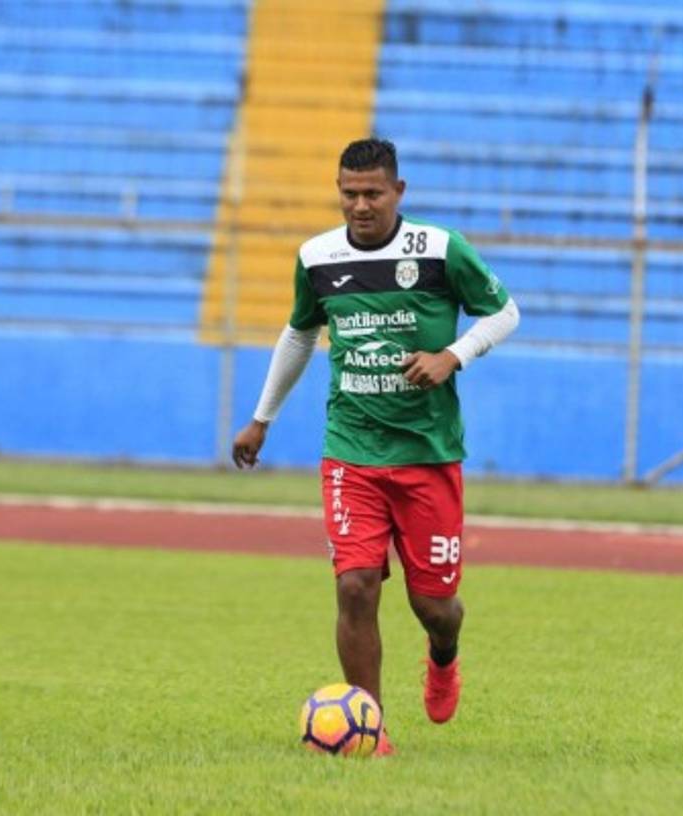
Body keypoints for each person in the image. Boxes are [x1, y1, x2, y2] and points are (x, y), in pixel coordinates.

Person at [231, 137, 519, 756]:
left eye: (372, 194)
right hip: (351, 451)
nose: (359, 205)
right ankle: (371, 730)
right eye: (348, 194)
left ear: (399, 192)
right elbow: (299, 335)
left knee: (435, 605)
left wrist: (452, 355)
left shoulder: (441, 250)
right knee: (356, 585)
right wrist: (262, 420)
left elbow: (505, 313)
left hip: (429, 453)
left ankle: (444, 657)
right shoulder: (317, 257)